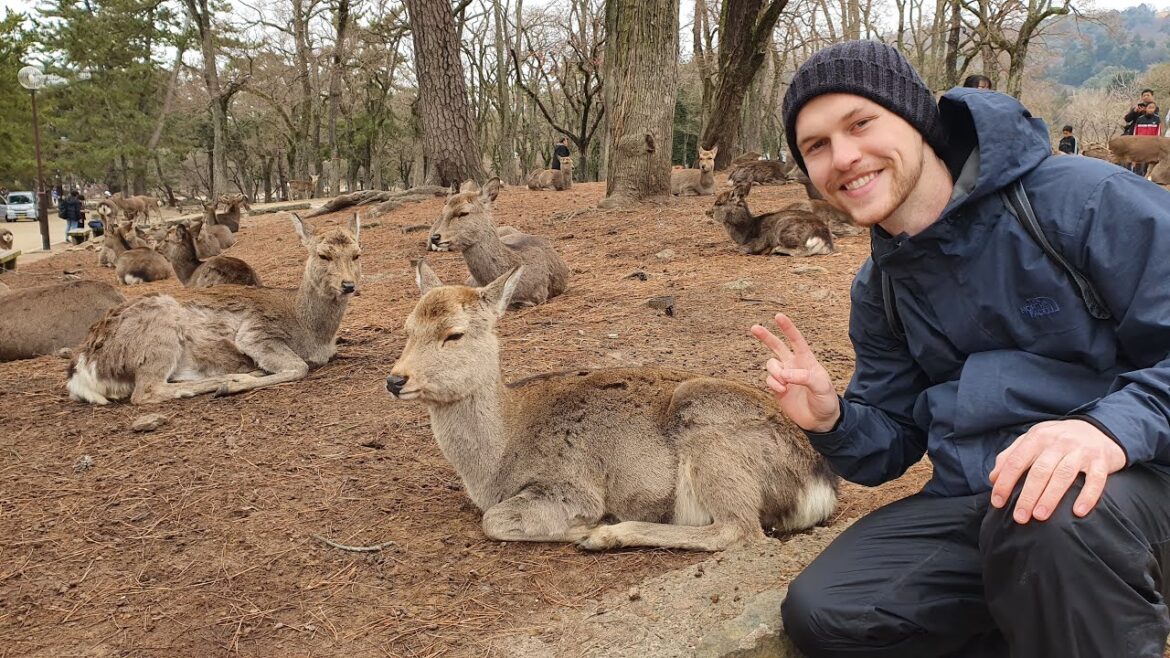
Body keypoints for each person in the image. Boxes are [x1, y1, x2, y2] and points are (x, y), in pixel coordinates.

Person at [755, 40, 1170, 657]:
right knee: (832, 610)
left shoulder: (1083, 200)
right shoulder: (882, 286)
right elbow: (892, 441)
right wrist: (834, 419)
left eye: (861, 123)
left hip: (1136, 476)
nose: (844, 157)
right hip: (988, 496)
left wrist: (1105, 430)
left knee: (1051, 516)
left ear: (918, 119)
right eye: (816, 145)